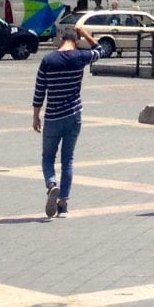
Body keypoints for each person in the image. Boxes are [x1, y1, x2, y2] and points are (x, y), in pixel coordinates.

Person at [31, 24, 105, 218]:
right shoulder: (80, 57)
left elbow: (40, 91)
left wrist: (35, 115)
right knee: (68, 160)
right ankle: (63, 205)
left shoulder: (48, 60)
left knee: (48, 157)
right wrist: (86, 33)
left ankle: (51, 184)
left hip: (53, 116)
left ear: (61, 39)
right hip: (74, 115)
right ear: (76, 41)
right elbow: (100, 50)